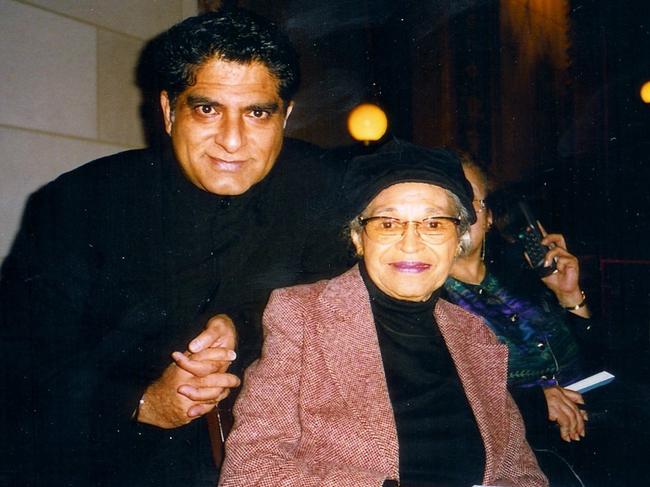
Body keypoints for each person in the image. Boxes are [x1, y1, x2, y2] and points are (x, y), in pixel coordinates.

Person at [0, 8, 350, 486]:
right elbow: (20, 365)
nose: (232, 141)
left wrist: (242, 326)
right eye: (207, 109)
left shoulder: (325, 191)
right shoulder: (78, 203)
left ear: (285, 116)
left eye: (257, 113)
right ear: (168, 111)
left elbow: (348, 318)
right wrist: (141, 402)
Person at [219, 140, 548, 487]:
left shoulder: (473, 332)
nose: (411, 242)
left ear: (459, 238)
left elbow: (522, 473)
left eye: (434, 224)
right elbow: (248, 473)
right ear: (359, 237)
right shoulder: (302, 317)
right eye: (388, 224)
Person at [443, 155, 650, 485]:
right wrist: (536, 401)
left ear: (490, 216)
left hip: (600, 422)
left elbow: (605, 367)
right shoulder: (430, 300)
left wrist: (571, 298)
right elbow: (448, 406)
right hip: (529, 447)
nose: (457, 211)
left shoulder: (525, 275)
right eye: (444, 198)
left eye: (467, 197)